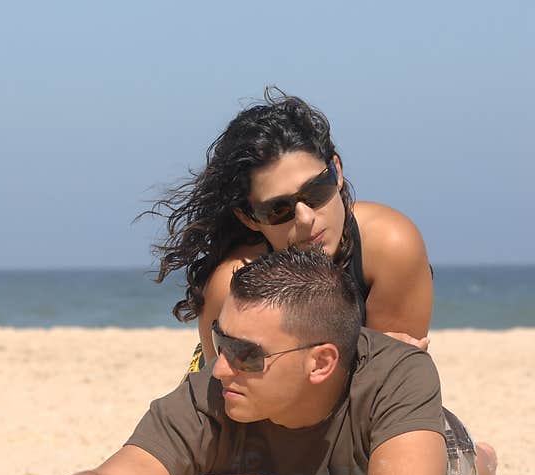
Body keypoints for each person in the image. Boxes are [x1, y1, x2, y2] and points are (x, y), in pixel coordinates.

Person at [44, 248, 497, 475]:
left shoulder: (399, 373)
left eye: (247, 354)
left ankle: (486, 460)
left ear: (320, 362)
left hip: (426, 442)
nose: (220, 368)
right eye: (221, 342)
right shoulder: (210, 393)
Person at [139, 87, 433, 368]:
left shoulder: (389, 247)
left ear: (337, 171)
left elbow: (393, 385)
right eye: (278, 210)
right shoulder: (230, 286)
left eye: (317, 190)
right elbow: (235, 404)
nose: (305, 218)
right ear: (249, 218)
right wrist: (366, 361)